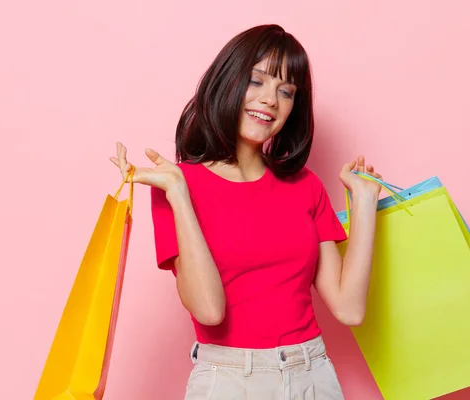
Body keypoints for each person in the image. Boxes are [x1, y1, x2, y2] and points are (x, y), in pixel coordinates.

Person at [110, 24, 382, 400]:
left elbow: (349, 309)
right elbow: (208, 310)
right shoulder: (175, 185)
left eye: (286, 91)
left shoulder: (306, 185)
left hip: (313, 376)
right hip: (229, 381)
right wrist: (178, 192)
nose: (271, 99)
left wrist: (365, 204)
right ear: (227, 83)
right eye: (257, 82)